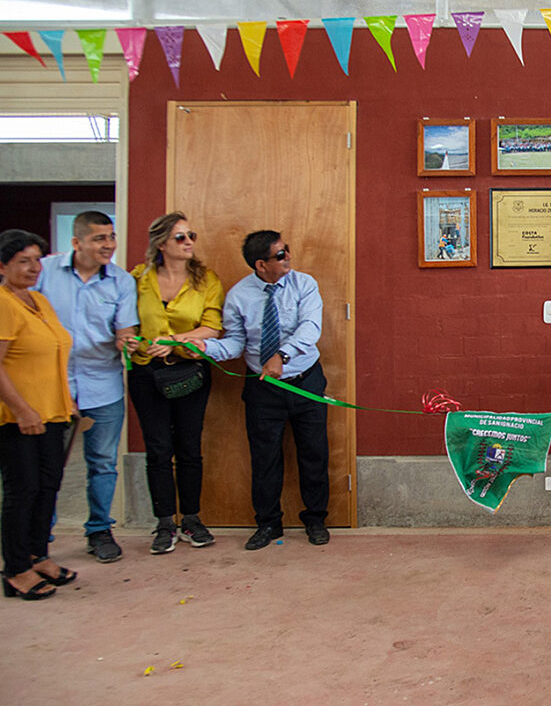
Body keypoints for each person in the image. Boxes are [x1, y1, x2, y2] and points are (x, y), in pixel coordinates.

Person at [193, 231, 330, 551]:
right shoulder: (240, 296)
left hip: (305, 380)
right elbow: (236, 344)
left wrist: (281, 356)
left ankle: (316, 519)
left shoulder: (304, 284)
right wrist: (206, 347)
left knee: (314, 453)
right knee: (264, 458)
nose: (288, 258)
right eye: (280, 255)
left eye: (287, 251)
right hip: (262, 388)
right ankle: (268, 523)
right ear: (260, 264)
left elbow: (310, 327)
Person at [34, 211, 138, 563]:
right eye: (99, 238)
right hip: (51, 384)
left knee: (103, 463)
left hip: (102, 383)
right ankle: (38, 535)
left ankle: (99, 530)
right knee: (47, 465)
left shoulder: (121, 282)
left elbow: (126, 329)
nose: (108, 245)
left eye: (111, 237)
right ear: (76, 242)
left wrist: (128, 341)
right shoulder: (44, 272)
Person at [125, 213, 223, 555]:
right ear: (160, 243)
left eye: (191, 235)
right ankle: (164, 521)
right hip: (146, 373)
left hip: (188, 371)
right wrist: (132, 340)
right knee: (158, 449)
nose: (189, 242)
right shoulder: (138, 278)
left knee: (189, 447)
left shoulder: (206, 280)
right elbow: (126, 322)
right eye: (180, 237)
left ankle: (192, 519)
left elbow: (212, 326)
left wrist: (174, 339)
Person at [0, 230, 76, 600]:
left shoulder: (38, 301)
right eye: (23, 262)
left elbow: (53, 352)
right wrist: (22, 409)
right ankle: (15, 568)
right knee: (22, 489)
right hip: (19, 417)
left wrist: (67, 400)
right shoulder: (3, 304)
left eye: (37, 260)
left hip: (53, 412)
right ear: (3, 266)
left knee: (48, 486)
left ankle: (37, 555)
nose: (33, 268)